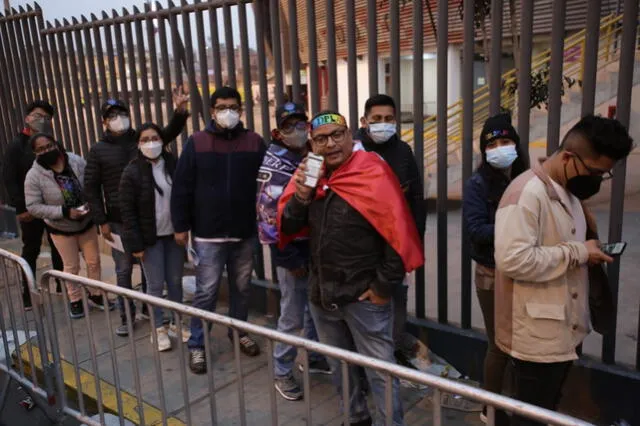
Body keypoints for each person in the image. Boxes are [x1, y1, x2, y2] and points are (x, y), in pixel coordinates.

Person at [278, 110, 424, 426]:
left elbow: (397, 234)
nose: (330, 144)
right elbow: (288, 227)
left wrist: (383, 287)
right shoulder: (310, 176)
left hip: (364, 297)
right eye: (320, 139)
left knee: (380, 371)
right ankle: (355, 418)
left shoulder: (372, 172)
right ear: (312, 145)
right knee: (340, 367)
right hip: (323, 295)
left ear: (349, 136)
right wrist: (301, 197)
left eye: (336, 135)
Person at [493, 115, 633, 426]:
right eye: (596, 171)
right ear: (569, 158)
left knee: (546, 411)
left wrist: (587, 252)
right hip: (536, 338)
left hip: (562, 331)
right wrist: (579, 252)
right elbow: (513, 260)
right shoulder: (526, 195)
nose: (598, 179)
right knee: (529, 417)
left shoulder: (566, 190)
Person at [171, 86, 266, 375]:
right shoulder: (197, 142)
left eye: (234, 107)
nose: (229, 112)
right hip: (208, 234)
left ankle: (238, 331)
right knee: (206, 292)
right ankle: (197, 344)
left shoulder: (254, 142)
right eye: (222, 107)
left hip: (244, 232)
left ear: (241, 110)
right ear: (212, 111)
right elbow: (182, 186)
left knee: (242, 288)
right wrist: (181, 226)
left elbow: (267, 185)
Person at [84, 88, 189, 337]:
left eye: (121, 112)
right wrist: (102, 220)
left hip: (148, 220)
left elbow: (165, 134)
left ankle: (152, 314)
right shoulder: (98, 149)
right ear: (104, 121)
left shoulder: (140, 139)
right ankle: (126, 315)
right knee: (123, 270)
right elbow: (91, 186)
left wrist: (179, 112)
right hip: (119, 221)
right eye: (112, 115)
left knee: (150, 274)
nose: (118, 118)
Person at [256, 102, 330, 401]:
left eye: (301, 123)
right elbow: (267, 214)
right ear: (278, 132)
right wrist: (286, 257)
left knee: (314, 309)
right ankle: (282, 371)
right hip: (292, 251)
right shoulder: (274, 162)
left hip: (312, 247)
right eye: (290, 126)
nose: (298, 130)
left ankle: (312, 357)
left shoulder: (307, 156)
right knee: (292, 314)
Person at [462, 114, 528, 423]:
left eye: (506, 142)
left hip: (527, 271)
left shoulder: (528, 178)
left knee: (524, 344)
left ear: (516, 144)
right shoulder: (477, 184)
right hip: (492, 273)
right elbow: (476, 230)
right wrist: (517, 228)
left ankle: (518, 404)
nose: (500, 148)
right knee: (500, 344)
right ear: (484, 150)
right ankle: (490, 409)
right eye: (492, 144)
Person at [355, 94, 426, 364]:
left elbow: (416, 200)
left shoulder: (403, 151)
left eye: (388, 119)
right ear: (364, 121)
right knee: (366, 305)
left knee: (397, 301)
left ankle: (393, 353)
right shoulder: (353, 151)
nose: (383, 124)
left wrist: (415, 243)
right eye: (376, 119)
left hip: (397, 245)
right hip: (364, 248)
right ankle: (367, 361)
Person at [24, 133, 113, 318]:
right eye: (41, 149)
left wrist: (91, 204)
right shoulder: (34, 176)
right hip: (61, 228)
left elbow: (91, 183)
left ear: (56, 143)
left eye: (49, 145)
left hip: (86, 222)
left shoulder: (74, 160)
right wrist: (64, 212)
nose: (47, 150)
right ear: (35, 153)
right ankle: (75, 300)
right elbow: (33, 207)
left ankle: (96, 294)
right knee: (71, 266)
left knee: (93, 261)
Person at [119, 123, 191, 352]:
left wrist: (183, 227)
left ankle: (176, 323)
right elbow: (127, 212)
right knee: (155, 285)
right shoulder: (131, 171)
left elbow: (183, 196)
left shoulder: (171, 164)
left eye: (155, 138)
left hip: (173, 236)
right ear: (138, 144)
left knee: (175, 281)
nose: (151, 143)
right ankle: (158, 328)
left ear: (162, 140)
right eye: (145, 139)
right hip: (150, 240)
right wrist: (136, 245)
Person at [2, 100, 63, 309]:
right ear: (27, 118)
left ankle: (61, 286)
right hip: (30, 210)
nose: (42, 120)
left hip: (54, 207)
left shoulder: (51, 143)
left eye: (46, 118)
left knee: (58, 246)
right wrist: (21, 209)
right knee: (31, 249)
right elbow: (10, 180)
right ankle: (28, 293)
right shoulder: (16, 146)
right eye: (37, 116)